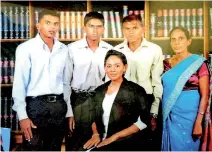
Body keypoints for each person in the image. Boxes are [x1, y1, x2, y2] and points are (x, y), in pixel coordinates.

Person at [12, 9, 73, 151]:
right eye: (48, 23)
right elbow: (19, 84)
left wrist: (69, 112)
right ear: (38, 25)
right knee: (34, 147)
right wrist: (22, 116)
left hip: (58, 106)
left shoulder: (64, 49)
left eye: (56, 24)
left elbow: (66, 84)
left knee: (55, 147)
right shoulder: (25, 48)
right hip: (35, 107)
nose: (52, 27)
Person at [83, 49, 150, 151]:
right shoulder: (99, 91)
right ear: (105, 68)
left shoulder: (136, 90)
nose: (112, 70)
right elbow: (92, 116)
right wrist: (95, 134)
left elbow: (143, 122)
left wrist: (114, 137)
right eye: (109, 66)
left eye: (117, 66)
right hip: (100, 138)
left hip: (124, 140)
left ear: (125, 67)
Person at [114, 14, 163, 149]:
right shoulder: (116, 50)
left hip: (146, 102)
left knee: (145, 144)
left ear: (143, 28)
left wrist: (154, 112)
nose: (130, 32)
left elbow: (157, 83)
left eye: (135, 28)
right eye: (127, 28)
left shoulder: (154, 50)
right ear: (122, 30)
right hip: (122, 103)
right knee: (123, 144)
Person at [65, 12, 113, 151]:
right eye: (91, 26)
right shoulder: (72, 49)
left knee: (99, 142)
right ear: (84, 28)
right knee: (76, 143)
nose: (95, 30)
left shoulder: (109, 50)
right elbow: (66, 82)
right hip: (78, 100)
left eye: (99, 26)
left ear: (103, 28)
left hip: (100, 100)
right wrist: (69, 112)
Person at [161, 26, 210, 151]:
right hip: (171, 116)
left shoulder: (199, 62)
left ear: (189, 41)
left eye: (181, 38)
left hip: (191, 118)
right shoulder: (166, 64)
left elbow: (205, 95)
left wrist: (198, 122)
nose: (177, 42)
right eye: (173, 39)